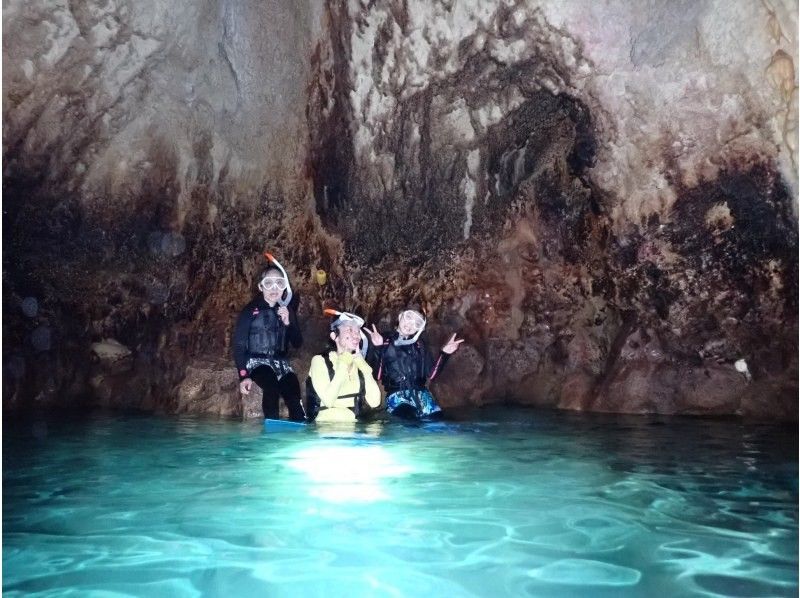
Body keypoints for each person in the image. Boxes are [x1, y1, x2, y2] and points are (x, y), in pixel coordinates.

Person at [232, 256, 305, 421]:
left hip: (281, 364)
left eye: (279, 283)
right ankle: (271, 427)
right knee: (271, 386)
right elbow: (238, 345)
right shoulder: (250, 311)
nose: (274, 288)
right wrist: (243, 375)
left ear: (284, 286)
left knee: (293, 390)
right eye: (268, 283)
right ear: (260, 286)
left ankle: (300, 428)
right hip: (257, 363)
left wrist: (288, 323)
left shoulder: (287, 311)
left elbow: (297, 343)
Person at [366, 309, 463, 420]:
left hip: (422, 396)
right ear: (400, 316)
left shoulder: (420, 345)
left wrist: (445, 353)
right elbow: (377, 376)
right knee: (411, 421)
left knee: (441, 424)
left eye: (417, 323)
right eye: (409, 317)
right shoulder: (383, 340)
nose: (410, 324)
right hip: (398, 397)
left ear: (419, 328)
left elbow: (431, 375)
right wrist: (379, 348)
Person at [306, 310, 381, 423]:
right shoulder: (320, 361)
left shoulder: (359, 363)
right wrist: (344, 361)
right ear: (334, 336)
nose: (355, 335)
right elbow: (328, 400)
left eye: (357, 331)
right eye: (349, 330)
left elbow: (375, 402)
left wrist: (364, 367)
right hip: (327, 427)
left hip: (354, 428)